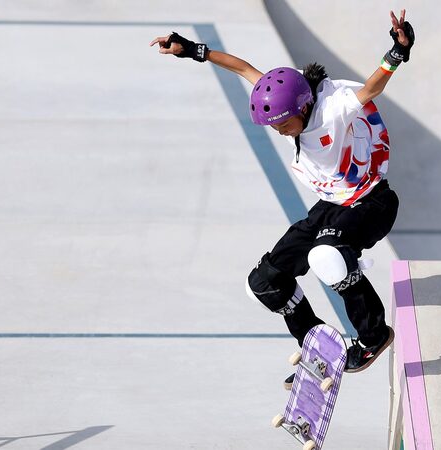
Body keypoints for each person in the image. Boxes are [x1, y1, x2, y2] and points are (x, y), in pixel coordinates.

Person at [150, 10, 415, 389]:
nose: (279, 131)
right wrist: (193, 49)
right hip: (332, 205)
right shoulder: (286, 97)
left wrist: (398, 50)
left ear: (304, 107)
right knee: (265, 282)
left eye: (283, 124)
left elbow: (372, 88)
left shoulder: (334, 109)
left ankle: (373, 336)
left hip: (371, 202)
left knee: (326, 256)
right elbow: (244, 69)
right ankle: (320, 346)